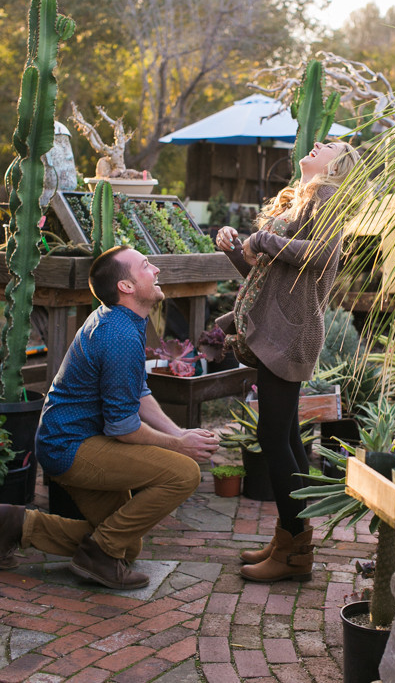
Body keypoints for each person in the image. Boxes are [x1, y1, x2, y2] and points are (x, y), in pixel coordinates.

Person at [0, 246, 219, 589]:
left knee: (126, 547)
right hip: (70, 446)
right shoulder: (119, 334)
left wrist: (178, 432)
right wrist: (179, 446)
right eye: (146, 266)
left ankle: (13, 524)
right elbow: (124, 428)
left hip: (74, 440)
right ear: (126, 287)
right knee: (184, 473)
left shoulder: (123, 320)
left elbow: (138, 393)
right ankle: (99, 555)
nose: (156, 270)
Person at [216, 140, 361, 582]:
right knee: (286, 437)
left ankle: (295, 550)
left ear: (337, 166)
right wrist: (236, 250)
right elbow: (269, 279)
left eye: (328, 145)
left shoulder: (327, 195)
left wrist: (261, 239)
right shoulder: (301, 200)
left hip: (290, 335)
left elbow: (321, 253)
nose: (317, 143)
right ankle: (289, 541)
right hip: (283, 332)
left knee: (274, 436)